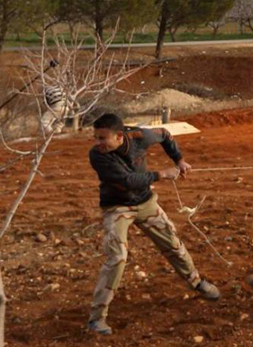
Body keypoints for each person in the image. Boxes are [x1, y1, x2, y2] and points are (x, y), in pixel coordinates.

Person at [86, 113, 220, 336]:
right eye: (96, 137)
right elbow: (128, 181)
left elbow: (166, 135)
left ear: (119, 136)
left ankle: (197, 283)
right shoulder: (97, 156)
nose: (97, 143)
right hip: (117, 208)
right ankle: (97, 318)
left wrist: (179, 160)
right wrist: (162, 174)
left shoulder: (141, 136)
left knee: (173, 245)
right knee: (117, 257)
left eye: (102, 138)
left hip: (146, 203)